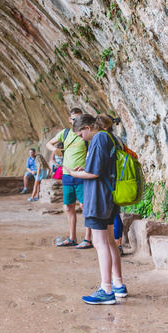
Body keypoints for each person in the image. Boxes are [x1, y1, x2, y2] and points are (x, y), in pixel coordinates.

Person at [63, 114, 126, 304]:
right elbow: (101, 167)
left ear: (89, 128)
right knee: (109, 242)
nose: (81, 138)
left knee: (100, 243)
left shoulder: (98, 138)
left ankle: (106, 290)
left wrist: (74, 173)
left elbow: (95, 172)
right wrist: (86, 169)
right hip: (109, 196)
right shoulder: (111, 138)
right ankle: (118, 284)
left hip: (99, 198)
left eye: (81, 134)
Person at [47, 108, 92, 248]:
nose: (76, 122)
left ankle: (87, 239)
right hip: (67, 176)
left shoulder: (84, 134)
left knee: (85, 207)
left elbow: (92, 153)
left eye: (78, 119)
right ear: (69, 120)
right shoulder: (65, 133)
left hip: (81, 176)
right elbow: (49, 143)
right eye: (74, 119)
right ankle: (72, 238)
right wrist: (55, 150)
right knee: (69, 207)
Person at [96, 114, 126, 256]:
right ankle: (118, 244)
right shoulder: (118, 139)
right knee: (116, 214)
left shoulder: (104, 139)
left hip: (108, 181)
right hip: (119, 179)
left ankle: (114, 245)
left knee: (112, 216)